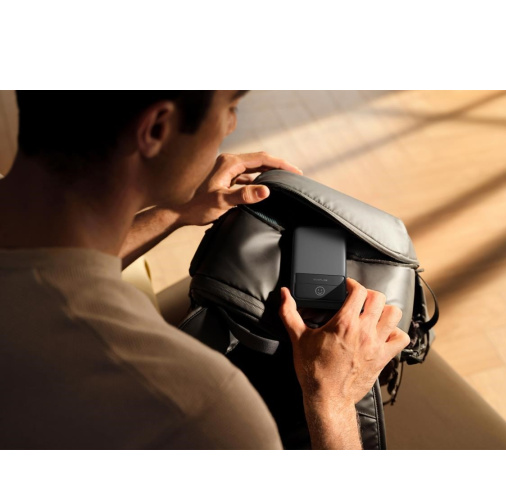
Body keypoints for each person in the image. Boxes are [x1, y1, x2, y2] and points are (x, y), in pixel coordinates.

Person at [0, 91, 411, 450]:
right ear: (157, 128)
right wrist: (333, 399)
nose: (231, 125)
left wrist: (176, 211)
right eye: (230, 107)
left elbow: (51, 261)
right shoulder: (203, 407)